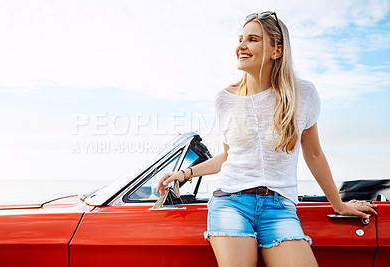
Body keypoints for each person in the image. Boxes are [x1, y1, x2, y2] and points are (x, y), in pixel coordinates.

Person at [157, 11, 377, 267]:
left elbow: (314, 154)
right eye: (240, 39)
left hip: (279, 207)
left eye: (252, 39)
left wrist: (338, 205)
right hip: (230, 204)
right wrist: (185, 173)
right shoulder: (225, 98)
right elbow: (229, 156)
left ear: (277, 51)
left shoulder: (303, 94)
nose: (241, 46)